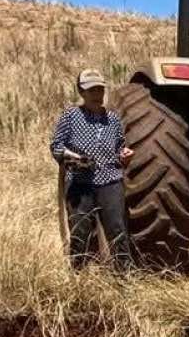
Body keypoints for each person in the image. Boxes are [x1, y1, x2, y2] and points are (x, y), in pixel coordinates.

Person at [50, 68, 134, 269]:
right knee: (80, 231)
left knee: (117, 230)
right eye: (92, 90)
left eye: (100, 89)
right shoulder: (71, 116)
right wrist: (73, 157)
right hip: (80, 182)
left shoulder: (112, 119)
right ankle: (78, 275)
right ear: (81, 92)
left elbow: (119, 147)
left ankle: (124, 276)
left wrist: (124, 155)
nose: (97, 94)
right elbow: (56, 146)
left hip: (110, 181)